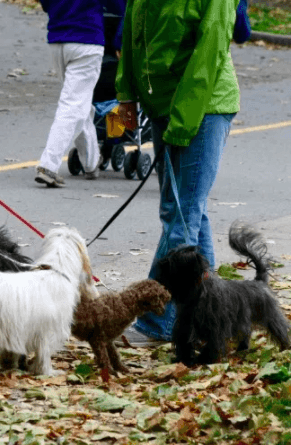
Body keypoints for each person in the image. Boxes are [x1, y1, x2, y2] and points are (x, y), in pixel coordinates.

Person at [115, 0, 241, 345]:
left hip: (204, 108)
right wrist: (126, 93)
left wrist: (182, 123)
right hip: (162, 106)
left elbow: (208, 57)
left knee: (181, 214)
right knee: (187, 213)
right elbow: (132, 32)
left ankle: (159, 322)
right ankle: (211, 316)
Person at [34, 0, 126, 188]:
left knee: (78, 103)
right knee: (73, 105)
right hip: (87, 39)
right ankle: (48, 165)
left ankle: (91, 163)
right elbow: (120, 7)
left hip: (57, 40)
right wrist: (119, 40)